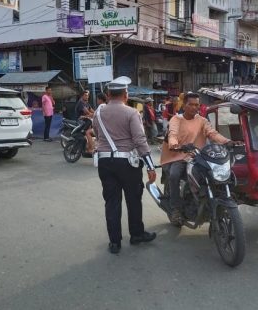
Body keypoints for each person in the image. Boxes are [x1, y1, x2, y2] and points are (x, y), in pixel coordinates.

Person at [93, 76, 157, 254]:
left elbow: (97, 135)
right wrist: (150, 166)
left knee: (112, 202)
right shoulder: (131, 113)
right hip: (127, 163)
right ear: (125, 94)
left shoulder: (98, 113)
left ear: (108, 94)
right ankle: (136, 234)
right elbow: (140, 140)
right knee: (133, 199)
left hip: (105, 162)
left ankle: (115, 242)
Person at [161, 92, 237, 224]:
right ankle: (176, 210)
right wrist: (175, 145)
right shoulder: (176, 119)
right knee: (174, 174)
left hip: (198, 157)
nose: (195, 107)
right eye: (191, 104)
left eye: (197, 105)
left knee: (214, 174)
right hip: (180, 156)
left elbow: (212, 133)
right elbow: (172, 133)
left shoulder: (202, 120)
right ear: (184, 105)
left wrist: (227, 141)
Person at [75, 90, 95, 154]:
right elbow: (87, 112)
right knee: (88, 125)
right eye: (85, 95)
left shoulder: (86, 103)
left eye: (88, 96)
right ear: (82, 96)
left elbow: (91, 110)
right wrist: (92, 115)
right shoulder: (81, 103)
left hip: (85, 118)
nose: (87, 97)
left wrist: (96, 113)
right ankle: (82, 133)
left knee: (90, 122)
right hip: (80, 120)